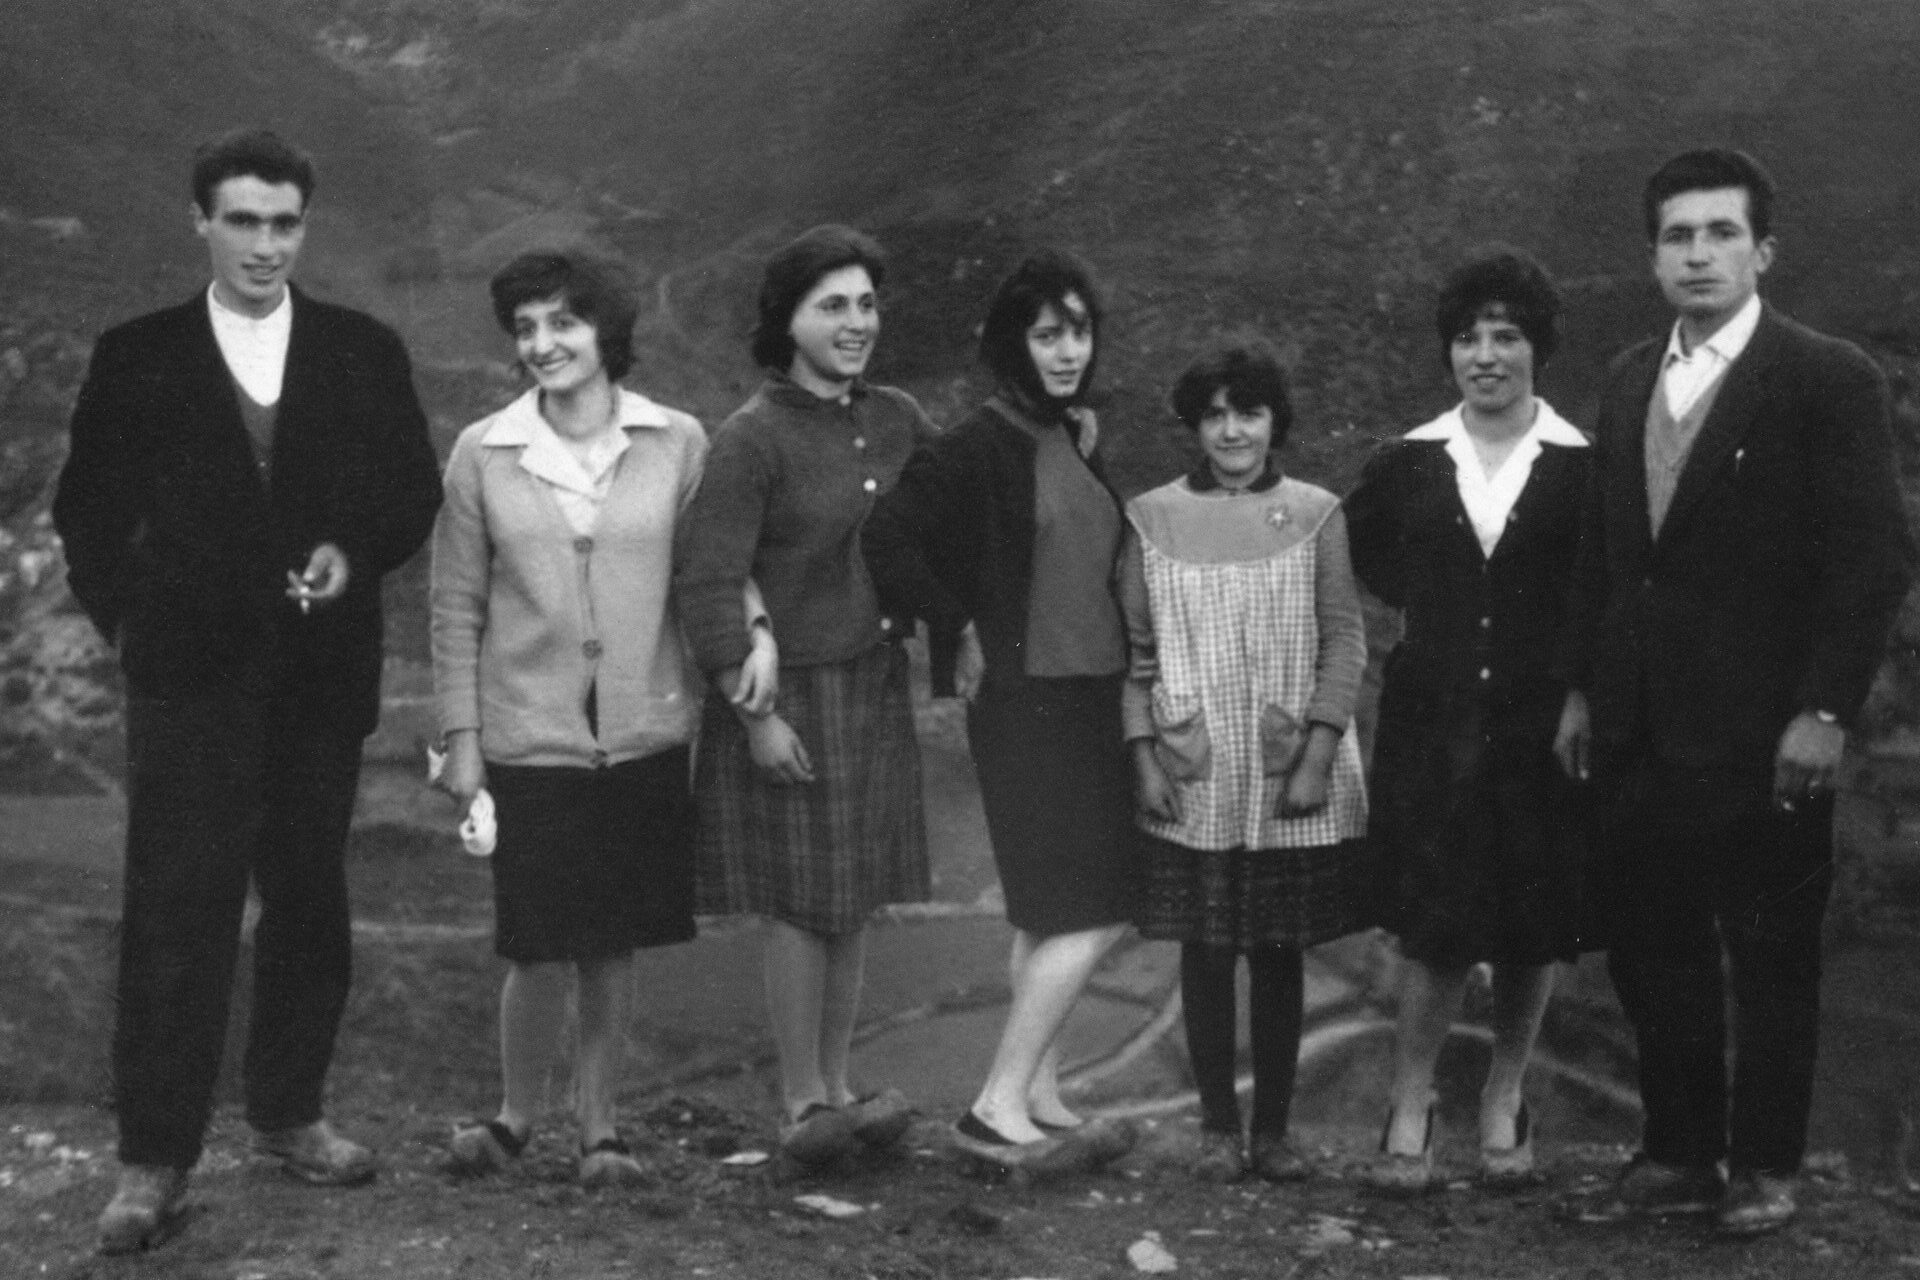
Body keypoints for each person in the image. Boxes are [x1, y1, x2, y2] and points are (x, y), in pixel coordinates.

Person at [51, 129, 442, 1253]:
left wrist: (350, 550)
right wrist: (134, 624)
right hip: (188, 681)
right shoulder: (139, 354)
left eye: (284, 223)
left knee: (309, 896)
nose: (266, 244)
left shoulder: (362, 350)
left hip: (320, 677)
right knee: (178, 908)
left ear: (303, 227)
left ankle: (288, 1113)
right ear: (202, 223)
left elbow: (410, 489)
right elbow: (86, 513)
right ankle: (153, 1157)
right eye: (243, 221)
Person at [1554, 149, 1914, 1234]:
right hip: (1637, 724)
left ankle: (1764, 1165)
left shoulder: (1826, 377)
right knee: (1651, 945)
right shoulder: (1629, 377)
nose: (1698, 254)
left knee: (1770, 952)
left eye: (1721, 233)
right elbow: (1604, 554)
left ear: (1764, 251)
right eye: (1678, 235)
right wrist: (1583, 690)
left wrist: (1825, 710)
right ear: (1653, 256)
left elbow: (1869, 560)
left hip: (1768, 731)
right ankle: (1678, 1153)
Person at [431, 251, 766, 1184]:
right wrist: (462, 740)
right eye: (526, 328)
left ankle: (600, 1132)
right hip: (526, 735)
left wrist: (755, 636)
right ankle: (513, 1119)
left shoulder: (677, 441)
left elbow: (711, 571)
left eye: (563, 323)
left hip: (643, 730)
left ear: (605, 330)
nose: (543, 344)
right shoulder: (483, 452)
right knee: (538, 945)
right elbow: (454, 605)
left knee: (613, 944)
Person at [865, 249, 1139, 1172]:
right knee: (1096, 909)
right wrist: (955, 624)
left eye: (1079, 332)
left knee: (1046, 916)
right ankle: (994, 1108)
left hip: (1089, 697)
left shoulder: (1067, 435)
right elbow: (886, 541)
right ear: (1013, 343)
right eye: (1047, 333)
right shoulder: (974, 447)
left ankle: (1041, 1095)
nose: (1067, 351)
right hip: (1030, 707)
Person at [673, 225, 929, 1165]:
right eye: (833, 307)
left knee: (850, 899)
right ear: (787, 321)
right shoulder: (751, 439)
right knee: (797, 903)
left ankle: (841, 1089)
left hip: (872, 678)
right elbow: (708, 579)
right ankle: (800, 1103)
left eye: (866, 304)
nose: (856, 322)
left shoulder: (897, 417)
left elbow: (954, 501)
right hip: (789, 696)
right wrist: (757, 717)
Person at [1346, 250, 1590, 1193]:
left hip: (1541, 724)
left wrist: (1575, 691)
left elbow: (1599, 592)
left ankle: (1504, 1096)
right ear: (1449, 351)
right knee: (1437, 923)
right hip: (1433, 722)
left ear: (1538, 347)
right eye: (1468, 338)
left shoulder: (1582, 465)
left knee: (1532, 920)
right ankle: (1410, 1103)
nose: (1485, 355)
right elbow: (1371, 557)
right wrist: (1443, 616)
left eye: (1506, 336)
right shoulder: (1407, 461)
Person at [1122, 345, 1370, 1183]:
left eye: (1249, 413)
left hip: (1284, 770)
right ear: (1195, 426)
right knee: (1203, 952)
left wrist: (1317, 755)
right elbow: (1135, 655)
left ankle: (1274, 1131)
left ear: (1274, 422)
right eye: (1215, 415)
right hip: (1192, 771)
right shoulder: (1150, 519)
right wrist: (1143, 758)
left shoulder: (1317, 514)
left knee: (1277, 951)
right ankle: (1216, 1128)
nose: (1232, 431)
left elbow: (1345, 640)